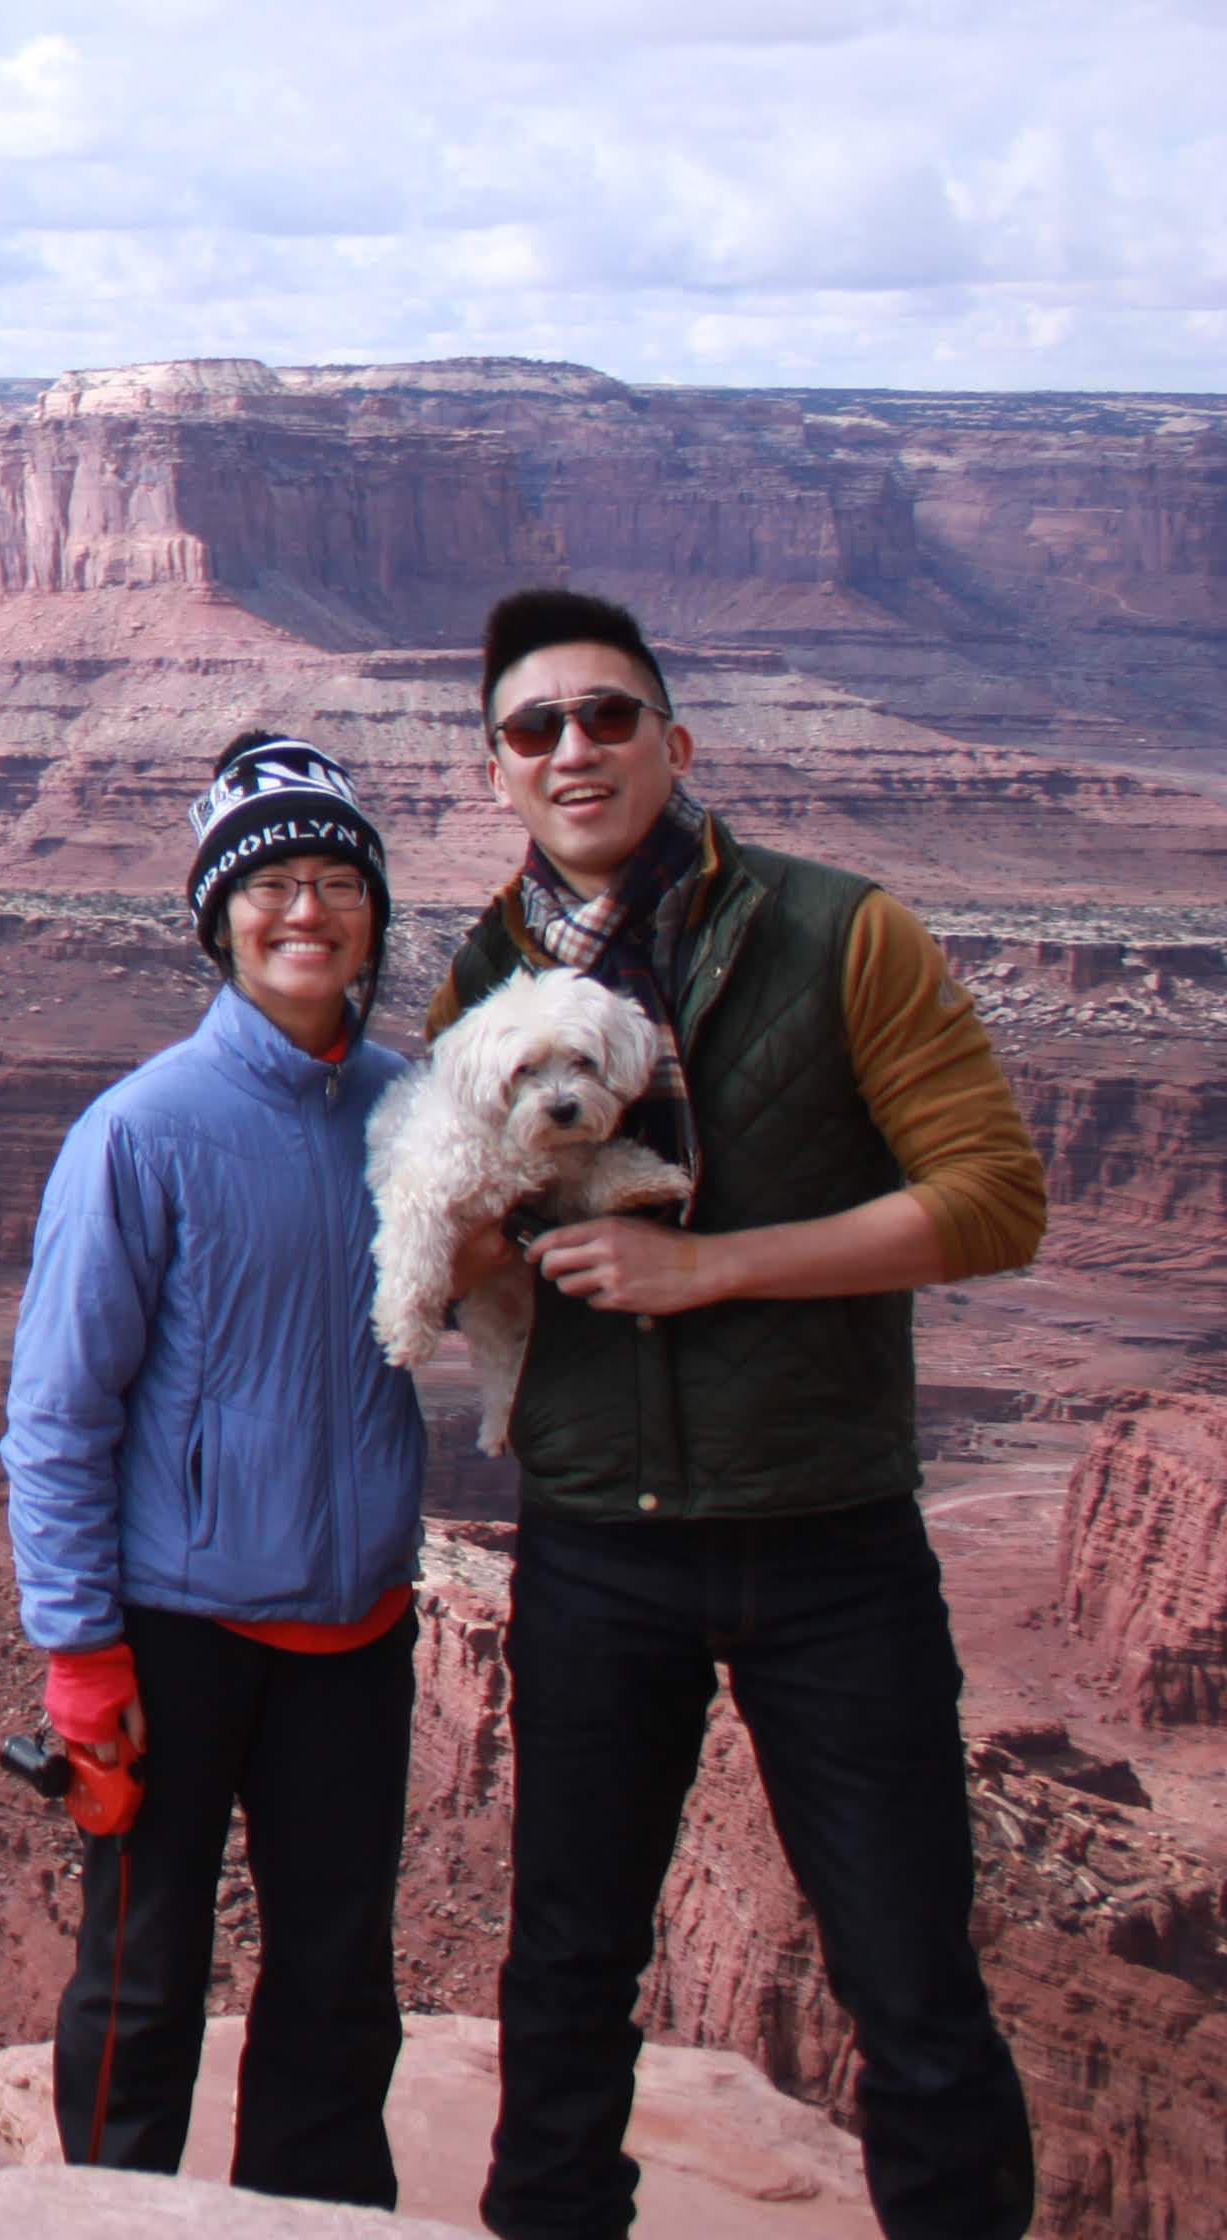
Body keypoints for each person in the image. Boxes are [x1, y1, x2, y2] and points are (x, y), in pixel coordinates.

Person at [440, 589, 1045, 2240]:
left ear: (676, 742)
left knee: (911, 1982)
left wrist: (716, 1269)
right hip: (596, 1550)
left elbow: (996, 1203)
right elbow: (438, 1255)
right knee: (566, 1972)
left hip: (829, 1539)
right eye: (534, 728)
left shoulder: (843, 933)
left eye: (609, 716)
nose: (575, 749)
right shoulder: (481, 979)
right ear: (498, 775)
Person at [4, 732, 426, 2205]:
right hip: (175, 1632)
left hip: (357, 1628)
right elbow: (59, 1413)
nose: (305, 912)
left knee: (335, 1982)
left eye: (335, 881)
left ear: (373, 911)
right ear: (218, 919)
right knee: (143, 1972)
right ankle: (112, 2218)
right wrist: (76, 1653)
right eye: (271, 886)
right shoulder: (143, 1131)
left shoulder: (411, 1109)